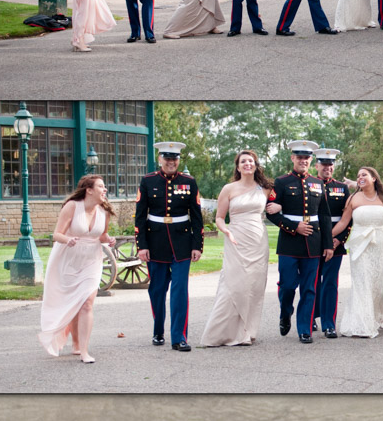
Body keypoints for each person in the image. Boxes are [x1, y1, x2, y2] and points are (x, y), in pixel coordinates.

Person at [200, 150, 276, 347]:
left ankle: (247, 332)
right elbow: (219, 217)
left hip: (258, 240)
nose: (247, 164)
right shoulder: (229, 189)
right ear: (238, 166)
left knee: (254, 287)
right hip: (236, 238)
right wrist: (226, 231)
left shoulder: (266, 189)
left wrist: (279, 208)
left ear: (256, 165)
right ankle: (220, 334)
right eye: (243, 161)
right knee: (233, 284)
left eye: (251, 161)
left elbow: (284, 203)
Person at [133, 141, 203, 351]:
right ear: (160, 159)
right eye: (167, 158)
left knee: (180, 290)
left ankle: (179, 337)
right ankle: (158, 330)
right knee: (157, 290)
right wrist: (142, 245)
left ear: (179, 160)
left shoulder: (189, 182)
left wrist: (197, 245)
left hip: (182, 242)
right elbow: (140, 217)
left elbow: (197, 217)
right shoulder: (148, 181)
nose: (171, 162)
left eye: (174, 158)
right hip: (155, 243)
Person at [38, 174, 115, 363]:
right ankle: (75, 343)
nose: (104, 190)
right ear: (89, 190)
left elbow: (102, 235)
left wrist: (109, 239)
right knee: (74, 301)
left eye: (104, 187)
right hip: (68, 259)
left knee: (87, 303)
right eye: (100, 186)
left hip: (91, 260)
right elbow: (57, 234)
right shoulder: (72, 206)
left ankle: (84, 351)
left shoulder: (104, 212)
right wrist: (68, 239)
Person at [265, 140, 334, 344]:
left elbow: (325, 215)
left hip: (314, 242)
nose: (303, 160)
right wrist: (294, 227)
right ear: (293, 158)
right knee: (287, 286)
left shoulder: (318, 183)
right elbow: (271, 213)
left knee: (309, 288)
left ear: (311, 160)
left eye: (307, 157)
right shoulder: (281, 182)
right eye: (300, 157)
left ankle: (305, 329)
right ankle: (285, 313)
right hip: (289, 242)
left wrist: (328, 244)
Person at [335, 167, 383, 338]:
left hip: (381, 245)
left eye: (364, 175)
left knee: (378, 285)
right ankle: (362, 325)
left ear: (374, 178)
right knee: (362, 283)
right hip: (360, 246)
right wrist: (324, 237)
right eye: (358, 175)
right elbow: (343, 223)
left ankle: (375, 318)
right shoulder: (353, 198)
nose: (360, 177)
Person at [314, 148, 350, 338]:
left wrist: (339, 239)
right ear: (316, 165)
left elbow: (348, 217)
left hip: (335, 242)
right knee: (311, 282)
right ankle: (311, 316)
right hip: (313, 241)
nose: (327, 167)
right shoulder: (310, 184)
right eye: (324, 164)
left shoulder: (342, 188)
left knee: (330, 283)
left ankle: (329, 324)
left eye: (330, 164)